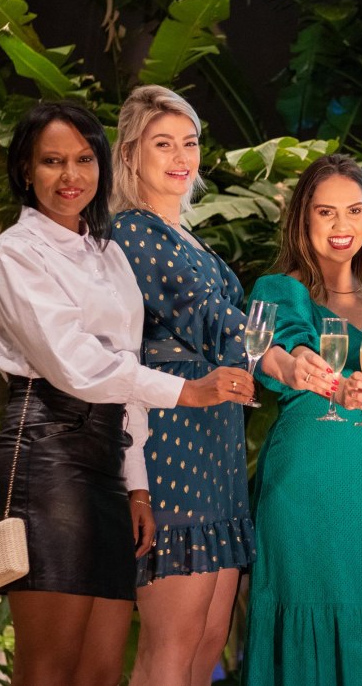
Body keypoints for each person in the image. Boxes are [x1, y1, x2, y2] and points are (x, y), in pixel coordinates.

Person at [0, 101, 250, 686]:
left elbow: (125, 370)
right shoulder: (14, 252)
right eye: (52, 161)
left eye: (83, 160)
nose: (70, 175)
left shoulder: (105, 254)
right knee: (48, 670)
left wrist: (137, 485)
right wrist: (186, 391)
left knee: (100, 671)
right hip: (46, 455)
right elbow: (76, 365)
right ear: (26, 169)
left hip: (109, 460)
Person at [242, 153, 362, 684]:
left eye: (353, 210)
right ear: (304, 219)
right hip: (304, 489)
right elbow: (282, 351)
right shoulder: (279, 289)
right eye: (326, 212)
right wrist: (331, 383)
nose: (341, 225)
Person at [108, 85, 257, 685]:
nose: (180, 157)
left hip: (217, 440)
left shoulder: (187, 235)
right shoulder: (132, 230)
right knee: (172, 644)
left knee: (207, 642)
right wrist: (285, 356)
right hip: (173, 437)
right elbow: (212, 320)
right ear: (130, 154)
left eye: (189, 143)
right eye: (162, 144)